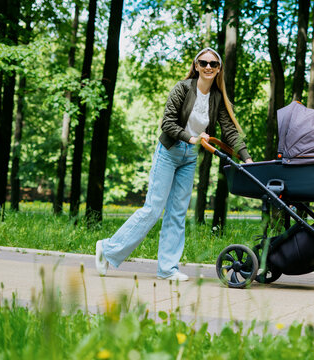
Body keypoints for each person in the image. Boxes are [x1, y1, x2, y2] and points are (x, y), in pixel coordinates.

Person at [95, 48, 253, 281]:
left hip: (189, 158)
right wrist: (190, 137)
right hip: (169, 152)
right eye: (204, 62)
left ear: (219, 69)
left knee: (178, 213)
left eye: (213, 64)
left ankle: (167, 269)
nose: (208, 67)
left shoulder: (217, 97)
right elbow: (167, 122)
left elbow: (228, 129)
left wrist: (246, 157)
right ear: (196, 65)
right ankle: (107, 249)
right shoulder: (183, 88)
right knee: (153, 208)